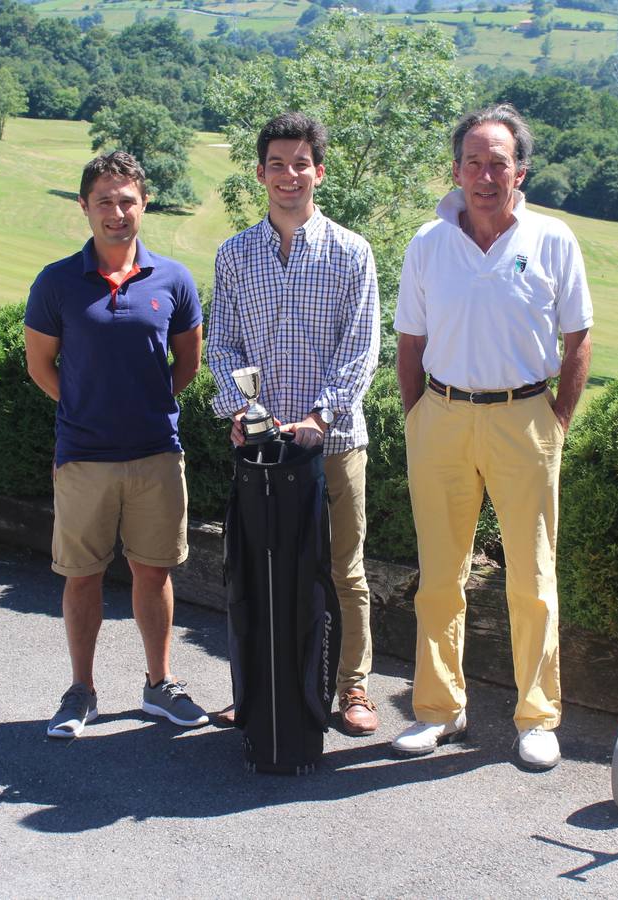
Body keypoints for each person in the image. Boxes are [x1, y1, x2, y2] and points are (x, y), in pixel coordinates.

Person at [391, 104, 593, 769]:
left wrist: (556, 419)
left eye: (497, 162)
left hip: (524, 419)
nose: (484, 175)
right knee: (440, 577)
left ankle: (537, 717)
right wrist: (418, 415)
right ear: (456, 170)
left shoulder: (554, 240)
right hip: (442, 418)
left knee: (531, 579)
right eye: (472, 162)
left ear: (520, 171)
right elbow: (410, 344)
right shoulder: (427, 245)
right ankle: (438, 711)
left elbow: (578, 337)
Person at [206, 112, 382, 734]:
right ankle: (256, 686)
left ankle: (352, 690)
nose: (288, 175)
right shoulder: (234, 255)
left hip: (332, 443)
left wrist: (318, 414)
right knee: (258, 569)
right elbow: (220, 346)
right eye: (276, 164)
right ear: (260, 173)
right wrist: (242, 411)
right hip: (261, 449)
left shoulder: (352, 253)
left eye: (300, 163)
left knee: (343, 568)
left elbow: (361, 348)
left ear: (319, 171)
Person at [24, 150, 209, 738]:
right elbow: (40, 365)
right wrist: (86, 409)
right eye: (103, 200)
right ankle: (81, 693)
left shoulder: (174, 280)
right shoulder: (56, 281)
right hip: (84, 458)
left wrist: (142, 408)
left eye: (127, 199)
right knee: (82, 577)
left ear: (143, 203)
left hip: (157, 452)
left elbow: (187, 364)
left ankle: (159, 686)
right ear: (84, 207)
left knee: (153, 573)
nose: (116, 211)